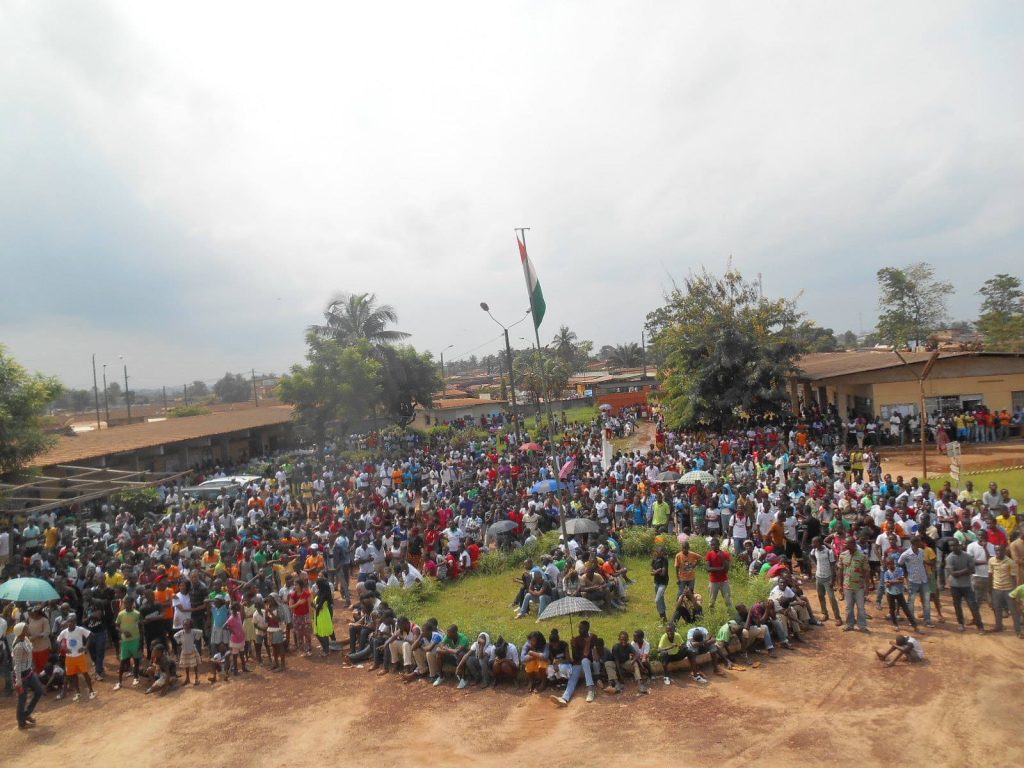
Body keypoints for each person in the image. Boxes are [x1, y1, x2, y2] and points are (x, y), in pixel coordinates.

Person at [551, 620, 600, 705]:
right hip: (579, 665)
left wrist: (588, 642)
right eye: (579, 628)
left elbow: (590, 655)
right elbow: (576, 657)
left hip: (590, 665)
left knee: (585, 661)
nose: (579, 630)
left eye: (582, 628)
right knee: (573, 677)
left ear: (587, 628)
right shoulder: (577, 639)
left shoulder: (593, 637)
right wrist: (573, 646)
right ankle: (564, 698)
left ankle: (591, 690)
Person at [945, 539, 985, 633]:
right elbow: (953, 573)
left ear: (959, 545)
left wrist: (961, 572)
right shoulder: (949, 558)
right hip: (955, 586)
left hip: (966, 585)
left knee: (973, 606)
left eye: (955, 545)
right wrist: (966, 570)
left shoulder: (967, 556)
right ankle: (961, 624)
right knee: (957, 606)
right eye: (951, 546)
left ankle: (980, 626)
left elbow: (973, 570)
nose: (953, 547)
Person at [11, 622, 44, 730]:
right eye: (25, 628)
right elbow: (18, 664)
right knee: (22, 698)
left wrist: (31, 665)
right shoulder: (19, 646)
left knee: (39, 691)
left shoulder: (25, 640)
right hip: (22, 675)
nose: (28, 629)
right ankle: (21, 723)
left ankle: (26, 714)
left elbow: (29, 655)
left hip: (28, 672)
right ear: (21, 632)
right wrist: (19, 681)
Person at [57, 612, 96, 701]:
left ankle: (91, 691)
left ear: (75, 622)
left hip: (79, 656)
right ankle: (78, 693)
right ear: (67, 622)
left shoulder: (80, 629)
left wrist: (85, 647)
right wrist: (63, 648)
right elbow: (57, 641)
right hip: (69, 657)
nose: (70, 623)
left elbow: (90, 635)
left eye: (72, 621)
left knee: (85, 673)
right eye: (69, 621)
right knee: (72, 675)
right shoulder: (64, 632)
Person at [988, 544, 1023, 637]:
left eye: (1000, 550)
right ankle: (998, 626)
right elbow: (990, 575)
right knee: (997, 609)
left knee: (1014, 611)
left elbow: (1013, 579)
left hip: (1008, 590)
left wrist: (1015, 593)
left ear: (1004, 551)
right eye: (996, 550)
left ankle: (1018, 631)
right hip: (996, 589)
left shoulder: (1010, 562)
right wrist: (989, 591)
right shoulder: (991, 560)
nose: (998, 552)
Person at [838, 537, 870, 632]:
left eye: (846, 544)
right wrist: (839, 585)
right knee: (848, 607)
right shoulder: (843, 555)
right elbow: (840, 571)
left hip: (859, 587)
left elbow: (867, 572)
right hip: (847, 586)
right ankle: (849, 624)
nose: (844, 545)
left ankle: (862, 626)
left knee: (860, 607)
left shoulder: (862, 556)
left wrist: (866, 586)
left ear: (853, 544)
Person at [811, 536, 842, 626]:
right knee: (821, 596)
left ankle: (837, 618)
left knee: (832, 598)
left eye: (814, 542)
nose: (812, 544)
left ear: (819, 543)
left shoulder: (828, 551)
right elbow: (811, 556)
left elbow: (833, 566)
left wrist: (833, 580)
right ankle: (824, 613)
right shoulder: (814, 550)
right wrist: (816, 564)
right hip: (818, 577)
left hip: (828, 578)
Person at [113, 596, 142, 690]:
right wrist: (123, 631)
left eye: (127, 602)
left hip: (135, 640)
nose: (125, 604)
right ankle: (119, 682)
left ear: (132, 603)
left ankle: (136, 677)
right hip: (125, 641)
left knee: (136, 660)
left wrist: (141, 642)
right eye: (124, 603)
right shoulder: (121, 614)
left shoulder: (137, 614)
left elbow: (141, 628)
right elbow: (116, 626)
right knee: (122, 662)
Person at [705, 537, 734, 612]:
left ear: (718, 545)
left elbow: (726, 569)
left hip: (724, 581)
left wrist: (722, 558)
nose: (712, 546)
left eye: (714, 545)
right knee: (712, 601)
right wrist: (721, 568)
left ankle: (731, 614)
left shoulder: (725, 554)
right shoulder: (709, 554)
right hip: (713, 581)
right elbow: (708, 569)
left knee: (728, 600)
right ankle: (712, 615)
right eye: (711, 545)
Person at [173, 617, 204, 685]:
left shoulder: (193, 631)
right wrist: (179, 641)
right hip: (184, 651)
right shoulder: (181, 632)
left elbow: (200, 631)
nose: (185, 626)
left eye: (187, 624)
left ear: (190, 625)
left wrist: (196, 638)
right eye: (184, 625)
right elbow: (175, 635)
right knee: (186, 665)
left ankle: (196, 678)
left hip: (192, 650)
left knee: (195, 665)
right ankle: (187, 678)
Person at [651, 546, 670, 622]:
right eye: (659, 552)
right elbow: (651, 571)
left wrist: (657, 571)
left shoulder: (665, 560)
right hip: (656, 582)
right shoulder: (654, 560)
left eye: (662, 552)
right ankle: (663, 619)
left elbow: (663, 574)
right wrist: (659, 570)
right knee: (660, 599)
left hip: (663, 582)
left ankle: (663, 616)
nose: (661, 553)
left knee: (657, 600)